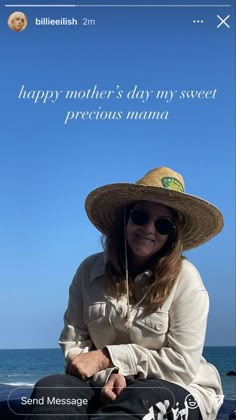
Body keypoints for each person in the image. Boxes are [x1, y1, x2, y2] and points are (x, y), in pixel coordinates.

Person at [27, 167, 224, 420]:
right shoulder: (88, 271)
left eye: (163, 224)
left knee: (137, 401)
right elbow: (75, 344)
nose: (150, 229)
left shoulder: (186, 279)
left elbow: (181, 366)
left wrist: (108, 357)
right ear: (125, 219)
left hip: (179, 387)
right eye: (141, 216)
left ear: (172, 233)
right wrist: (108, 376)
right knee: (50, 390)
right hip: (103, 385)